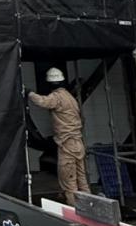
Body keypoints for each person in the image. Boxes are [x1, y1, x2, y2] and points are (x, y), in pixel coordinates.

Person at [27, 68, 90, 206]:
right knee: (81, 179)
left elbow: (43, 102)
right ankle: (90, 207)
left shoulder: (58, 97)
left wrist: (29, 93)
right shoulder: (70, 97)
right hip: (77, 143)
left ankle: (74, 209)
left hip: (67, 144)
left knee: (69, 182)